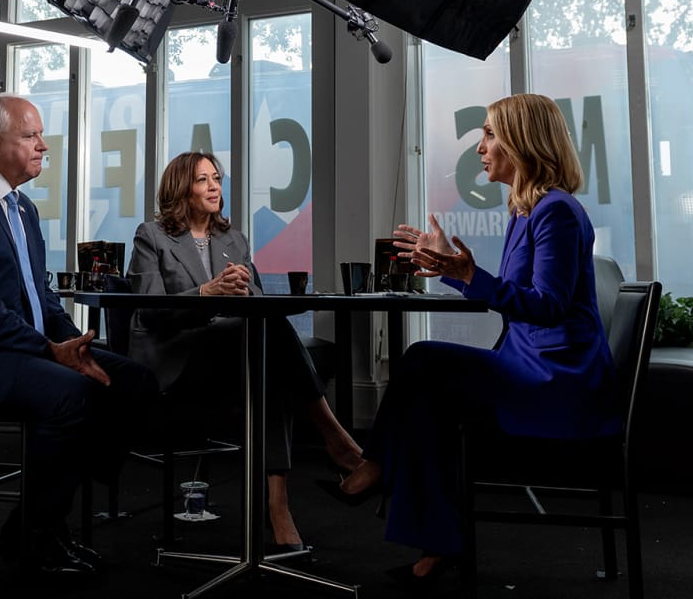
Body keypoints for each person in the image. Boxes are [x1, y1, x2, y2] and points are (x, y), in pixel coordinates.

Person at [328, 93, 620, 587]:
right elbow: (518, 298)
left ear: (523, 141)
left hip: (557, 381)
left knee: (421, 359)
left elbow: (547, 305)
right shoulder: (526, 211)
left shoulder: (557, 213)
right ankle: (435, 546)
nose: (480, 148)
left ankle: (376, 469)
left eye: (489, 134)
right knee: (431, 400)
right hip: (530, 367)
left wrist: (465, 273)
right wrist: (455, 268)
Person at [0, 94, 157, 578]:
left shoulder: (24, 210)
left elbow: (42, 298)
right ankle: (35, 537)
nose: (44, 146)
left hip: (23, 354)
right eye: (31, 136)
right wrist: (48, 350)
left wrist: (74, 343)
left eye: (40, 136)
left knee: (132, 381)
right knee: (76, 395)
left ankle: (47, 510)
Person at [127, 151, 362, 552]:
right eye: (203, 180)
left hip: (233, 353)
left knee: (267, 358)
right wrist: (207, 291)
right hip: (177, 357)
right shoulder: (152, 236)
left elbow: (256, 304)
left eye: (216, 178)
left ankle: (278, 502)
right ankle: (334, 438)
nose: (215, 186)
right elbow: (149, 309)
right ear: (180, 188)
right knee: (267, 344)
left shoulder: (233, 239)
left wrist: (244, 288)